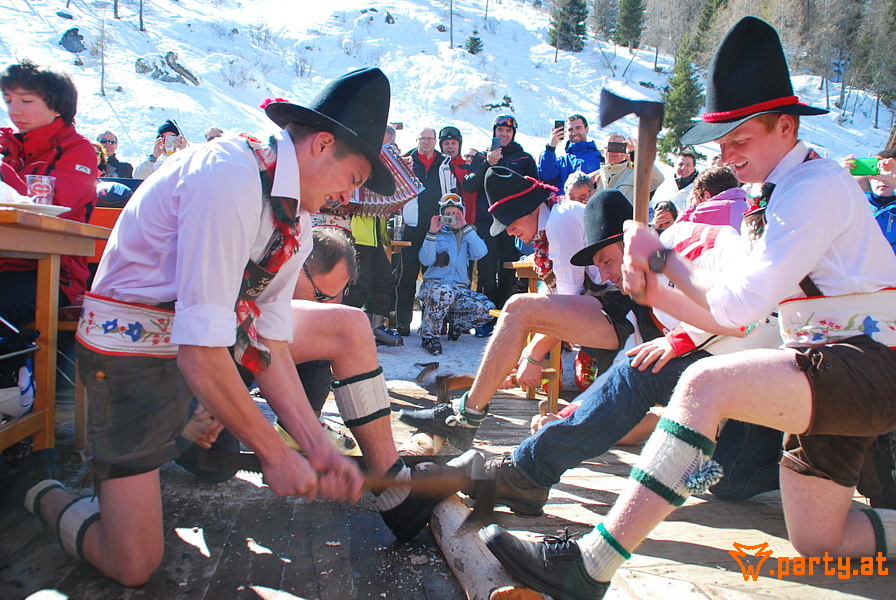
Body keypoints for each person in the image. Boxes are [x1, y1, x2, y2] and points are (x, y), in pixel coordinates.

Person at [480, 18, 896, 599]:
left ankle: (590, 565)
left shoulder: (815, 189)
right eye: (721, 143)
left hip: (869, 365)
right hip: (831, 368)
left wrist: (659, 275)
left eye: (739, 140)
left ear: (786, 125)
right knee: (820, 539)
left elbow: (736, 311)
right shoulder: (779, 194)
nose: (726, 154)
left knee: (704, 384)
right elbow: (728, 302)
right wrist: (660, 273)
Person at [5, 68, 449, 587]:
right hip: (127, 358)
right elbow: (201, 351)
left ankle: (180, 437)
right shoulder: (229, 175)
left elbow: (271, 344)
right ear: (322, 144)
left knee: (214, 463)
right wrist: (275, 452)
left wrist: (319, 447)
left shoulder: (298, 226)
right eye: (350, 179)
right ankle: (41, 486)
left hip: (190, 352)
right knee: (134, 563)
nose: (344, 198)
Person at [464, 192, 783, 519]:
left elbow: (753, 306)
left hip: (779, 373)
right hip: (741, 391)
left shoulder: (688, 241)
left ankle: (526, 473)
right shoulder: (646, 303)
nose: (604, 275)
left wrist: (679, 341)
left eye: (606, 261)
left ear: (630, 244)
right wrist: (572, 413)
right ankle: (804, 469)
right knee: (730, 482)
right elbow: (619, 375)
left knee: (645, 375)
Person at [399, 174, 661, 450]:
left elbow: (566, 299)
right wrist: (520, 354)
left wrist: (533, 356)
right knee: (619, 429)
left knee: (517, 307)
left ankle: (465, 416)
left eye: (511, 223)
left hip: (630, 314)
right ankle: (666, 417)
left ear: (531, 208)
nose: (510, 232)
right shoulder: (553, 222)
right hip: (618, 318)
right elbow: (557, 299)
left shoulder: (560, 220)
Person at [0, 59, 98, 327]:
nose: (14, 109)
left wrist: (3, 174)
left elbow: (52, 207)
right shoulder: (6, 144)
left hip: (48, 272)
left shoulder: (78, 151)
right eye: (8, 100)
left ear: (57, 106)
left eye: (26, 100)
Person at [465, 115, 538, 330]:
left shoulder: (524, 158)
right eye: (500, 130)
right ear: (494, 132)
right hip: (488, 222)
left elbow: (533, 187)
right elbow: (469, 186)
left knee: (509, 271)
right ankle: (487, 320)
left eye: (508, 131)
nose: (503, 134)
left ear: (513, 133)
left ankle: (505, 321)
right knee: (487, 271)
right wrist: (488, 163)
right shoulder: (482, 156)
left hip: (513, 225)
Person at [343, 126, 403, 347]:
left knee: (385, 280)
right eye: (382, 146)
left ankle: (375, 327)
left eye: (389, 147)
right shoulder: (357, 160)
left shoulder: (381, 169)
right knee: (361, 285)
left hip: (376, 234)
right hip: (356, 233)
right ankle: (346, 328)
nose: (384, 150)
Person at [394, 127, 455, 336]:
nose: (426, 142)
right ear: (417, 140)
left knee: (438, 274)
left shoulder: (445, 163)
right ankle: (403, 321)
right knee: (407, 275)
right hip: (412, 225)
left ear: (435, 141)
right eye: (423, 138)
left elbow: (452, 193)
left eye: (430, 139)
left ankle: (436, 323)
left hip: (438, 226)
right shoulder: (407, 161)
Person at [417, 194, 493, 355]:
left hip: (458, 289)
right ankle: (429, 337)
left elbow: (481, 252)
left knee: (487, 309)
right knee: (444, 291)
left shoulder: (466, 234)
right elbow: (425, 260)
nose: (451, 217)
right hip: (434, 287)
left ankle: (456, 323)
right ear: (441, 215)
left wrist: (464, 225)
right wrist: (432, 232)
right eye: (448, 214)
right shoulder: (435, 234)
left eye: (456, 214)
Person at [843, 149, 896, 251]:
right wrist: (839, 177)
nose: (882, 180)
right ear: (870, 177)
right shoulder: (853, 201)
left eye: (889, 173)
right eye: (877, 172)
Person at [590, 132, 664, 203]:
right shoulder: (593, 178)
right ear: (602, 152)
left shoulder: (634, 175)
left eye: (618, 147)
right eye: (609, 147)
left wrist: (636, 157)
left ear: (625, 150)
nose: (613, 151)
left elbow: (657, 179)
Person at [538, 114, 602, 189]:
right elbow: (545, 176)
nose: (574, 133)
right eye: (570, 129)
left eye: (578, 128)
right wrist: (551, 147)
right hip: (565, 199)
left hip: (590, 200)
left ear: (587, 129)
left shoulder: (599, 158)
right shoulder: (562, 161)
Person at [677, 166, 749, 230]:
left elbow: (675, 235)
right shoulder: (746, 205)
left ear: (707, 195)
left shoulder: (706, 209)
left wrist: (691, 208)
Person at [438, 126, 478, 224]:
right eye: (446, 143)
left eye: (454, 143)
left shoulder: (468, 168)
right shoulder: (438, 168)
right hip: (443, 221)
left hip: (466, 221)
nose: (450, 146)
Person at [653, 150, 699, 215]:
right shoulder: (665, 184)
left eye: (688, 165)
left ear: (693, 168)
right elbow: (653, 205)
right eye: (680, 164)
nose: (683, 168)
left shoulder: (698, 189)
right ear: (675, 165)